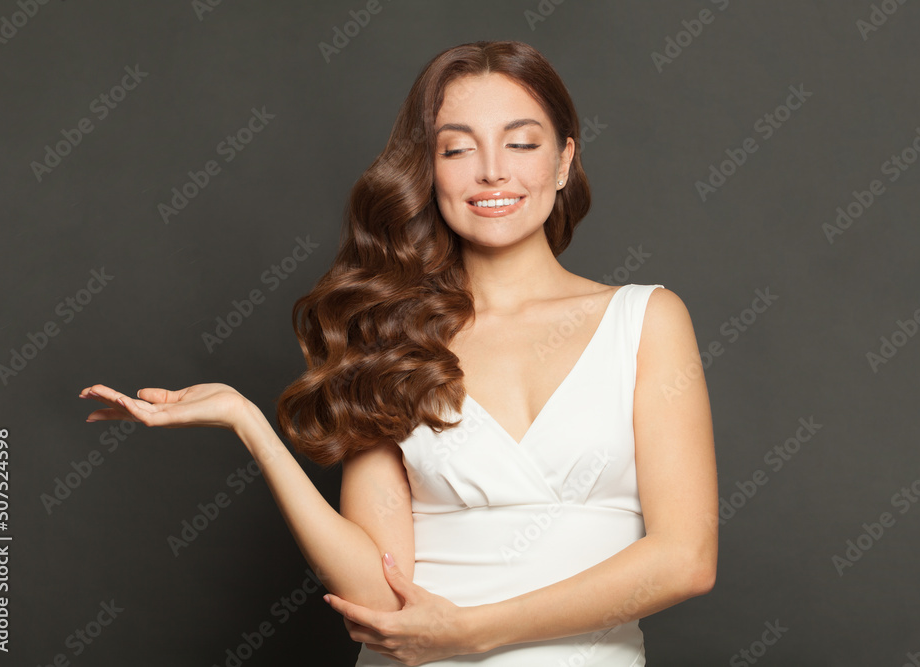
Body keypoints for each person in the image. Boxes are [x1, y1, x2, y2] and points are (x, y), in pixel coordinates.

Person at [80, 40, 718, 666]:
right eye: (457, 147)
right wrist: (251, 426)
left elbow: (685, 560)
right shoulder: (388, 337)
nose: (492, 169)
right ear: (429, 170)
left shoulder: (647, 321)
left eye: (521, 142)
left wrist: (474, 633)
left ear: (562, 161)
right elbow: (377, 595)